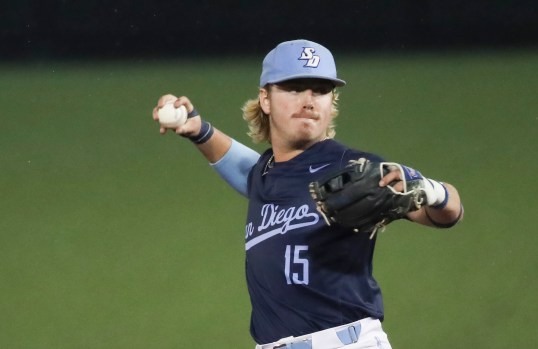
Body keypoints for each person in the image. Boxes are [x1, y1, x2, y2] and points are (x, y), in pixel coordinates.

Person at [152, 39, 463, 349]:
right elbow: (242, 166)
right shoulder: (264, 173)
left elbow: (449, 214)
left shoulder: (352, 169)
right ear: (265, 99)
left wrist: (430, 190)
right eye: (294, 88)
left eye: (321, 90)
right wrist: (199, 130)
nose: (309, 100)